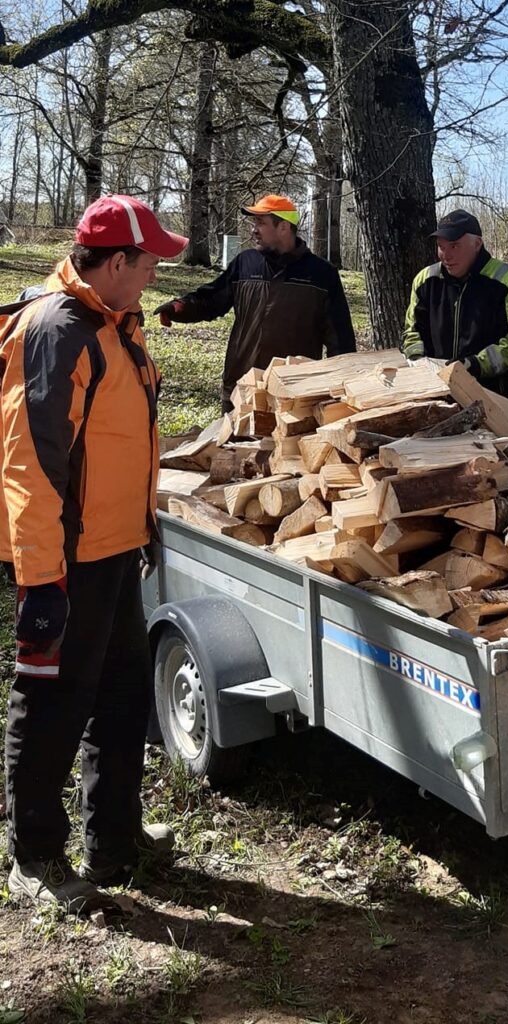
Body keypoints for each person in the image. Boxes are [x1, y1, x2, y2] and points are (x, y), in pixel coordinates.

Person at [0, 194, 188, 910]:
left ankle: (115, 839)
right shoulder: (57, 331)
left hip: (115, 550)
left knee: (120, 699)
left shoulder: (115, 323)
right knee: (51, 705)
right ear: (115, 263)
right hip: (66, 561)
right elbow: (30, 464)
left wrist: (141, 525)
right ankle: (36, 858)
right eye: (147, 264)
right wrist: (42, 579)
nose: (154, 277)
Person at [154, 194, 357, 412]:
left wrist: (341, 390)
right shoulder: (246, 262)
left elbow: (340, 339)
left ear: (283, 227)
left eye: (261, 222)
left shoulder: (321, 274)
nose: (254, 229)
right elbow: (212, 299)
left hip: (294, 396)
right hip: (241, 388)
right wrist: (180, 307)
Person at [401, 209, 508, 411]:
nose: (446, 255)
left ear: (477, 244)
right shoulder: (425, 281)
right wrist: (417, 361)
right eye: (441, 247)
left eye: (454, 246)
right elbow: (413, 332)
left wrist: (473, 364)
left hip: (496, 402)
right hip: (438, 399)